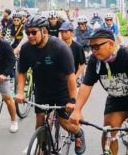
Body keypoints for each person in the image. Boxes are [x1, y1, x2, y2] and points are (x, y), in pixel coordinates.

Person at [14, 15, 86, 155]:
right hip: (42, 89)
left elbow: (71, 76)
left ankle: (79, 133)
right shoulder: (26, 49)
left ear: (44, 31)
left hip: (61, 90)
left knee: (65, 122)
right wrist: (20, 92)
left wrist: (72, 100)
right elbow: (21, 72)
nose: (30, 36)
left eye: (34, 32)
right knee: (39, 121)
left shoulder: (60, 48)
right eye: (27, 33)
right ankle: (43, 148)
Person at [69, 28, 128, 155]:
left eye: (97, 46)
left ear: (110, 44)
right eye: (91, 47)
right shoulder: (95, 60)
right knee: (107, 135)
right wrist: (77, 110)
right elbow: (86, 86)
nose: (93, 50)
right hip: (116, 99)